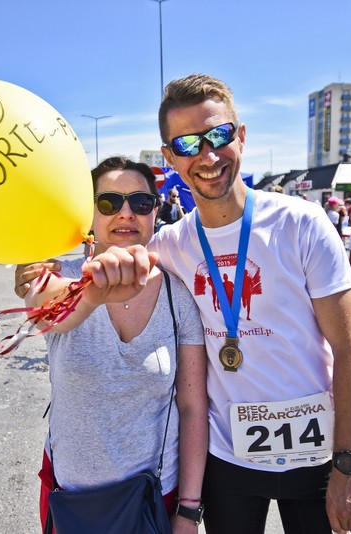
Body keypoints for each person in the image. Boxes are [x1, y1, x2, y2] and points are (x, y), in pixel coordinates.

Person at [18, 74, 351, 534]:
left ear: (240, 137)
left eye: (219, 135)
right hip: (228, 460)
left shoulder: (300, 223)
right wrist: (29, 275)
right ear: (171, 158)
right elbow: (86, 273)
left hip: (317, 454)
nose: (207, 156)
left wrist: (350, 466)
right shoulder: (169, 246)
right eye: (187, 144)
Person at [24, 156, 208, 533]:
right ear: (89, 212)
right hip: (73, 500)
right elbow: (45, 312)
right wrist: (92, 294)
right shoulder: (62, 276)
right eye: (109, 202)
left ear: (155, 212)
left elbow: (192, 407)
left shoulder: (179, 294)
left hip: (153, 497)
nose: (125, 213)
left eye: (140, 203)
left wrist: (189, 511)